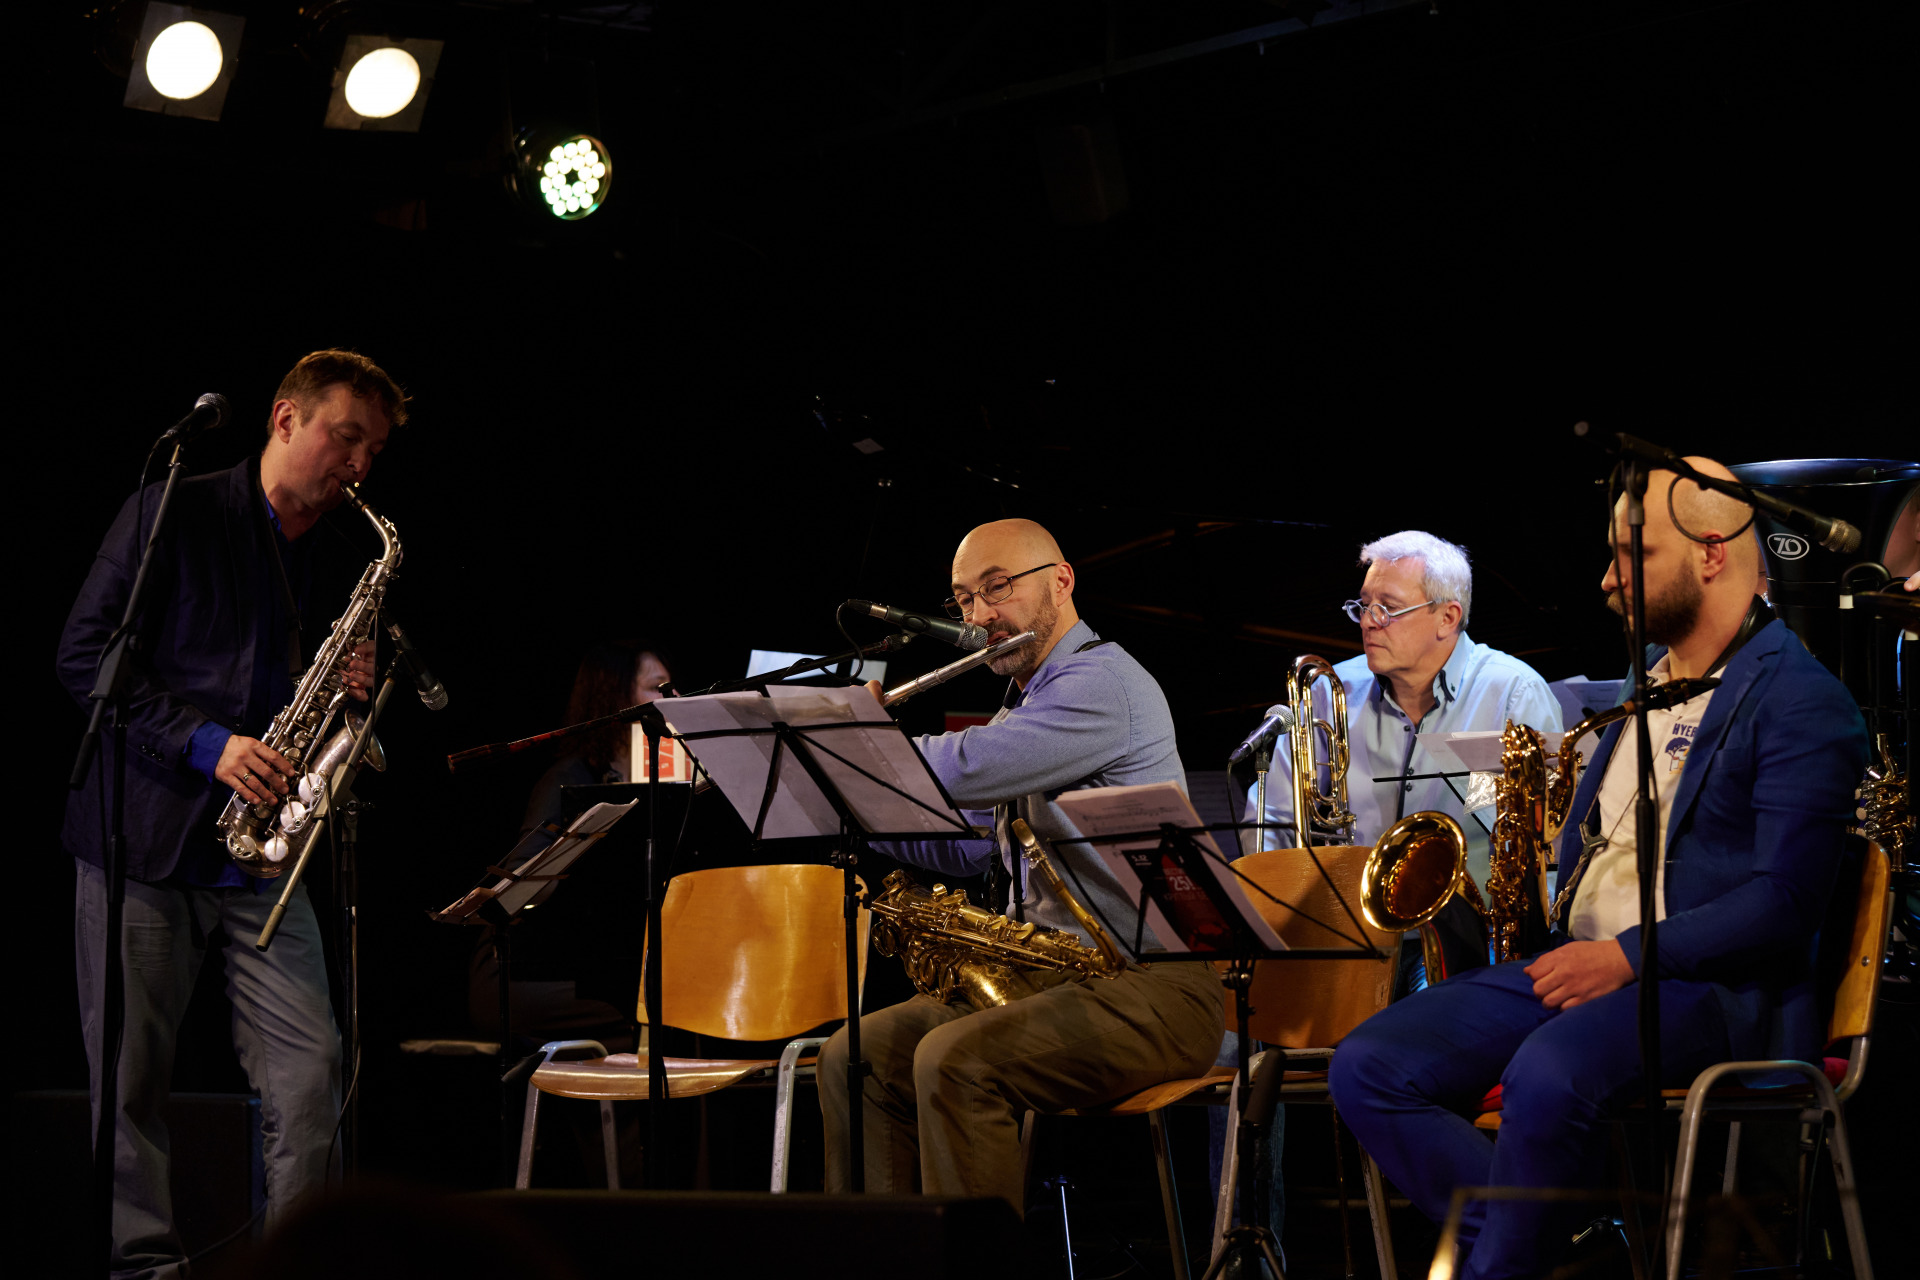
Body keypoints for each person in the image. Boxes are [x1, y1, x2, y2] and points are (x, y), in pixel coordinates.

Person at [1327, 460, 1868, 1280]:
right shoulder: (1642, 685)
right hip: (1583, 966)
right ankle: (1559, 1247)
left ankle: (1514, 1260)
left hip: (1715, 990)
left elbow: (1784, 903)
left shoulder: (1802, 700)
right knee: (1368, 1064)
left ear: (1711, 554)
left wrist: (1623, 956)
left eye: (1630, 555)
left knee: (1549, 1071)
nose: (1607, 579)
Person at [59, 350, 405, 1279]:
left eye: (372, 449)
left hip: (261, 860)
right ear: (286, 420)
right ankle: (143, 1271)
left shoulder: (341, 553)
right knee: (128, 1089)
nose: (360, 466)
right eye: (346, 436)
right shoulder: (175, 509)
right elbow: (86, 655)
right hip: (146, 838)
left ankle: (297, 1267)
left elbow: (306, 695)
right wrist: (209, 745)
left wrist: (351, 696)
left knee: (309, 1076)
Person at [818, 518, 1224, 1210]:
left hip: (1156, 985)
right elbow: (967, 842)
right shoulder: (1025, 704)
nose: (979, 618)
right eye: (964, 600)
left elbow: (965, 769)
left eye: (996, 589)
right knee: (854, 1059)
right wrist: (857, 815)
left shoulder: (1104, 684)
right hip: (1053, 976)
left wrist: (856, 746)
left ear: (1061, 582)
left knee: (957, 1063)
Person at [1242, 530, 1563, 983]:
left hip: (1471, 943)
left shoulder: (1512, 694)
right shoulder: (1330, 692)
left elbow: (1544, 842)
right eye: (1363, 605)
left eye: (1387, 608)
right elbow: (1272, 815)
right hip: (1348, 937)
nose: (1368, 622)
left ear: (1447, 617)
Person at [468, 641, 673, 1051]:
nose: (675, 699)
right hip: (517, 974)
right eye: (659, 687)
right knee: (651, 1013)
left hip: (584, 966)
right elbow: (520, 886)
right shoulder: (569, 778)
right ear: (616, 696)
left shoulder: (649, 779)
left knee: (669, 1000)